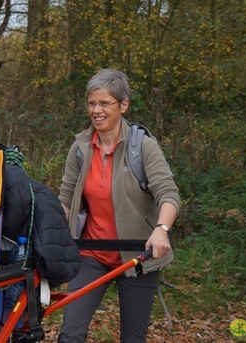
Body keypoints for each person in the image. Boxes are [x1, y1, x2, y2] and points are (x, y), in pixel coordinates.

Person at [58, 68, 180, 342]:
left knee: (133, 338)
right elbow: (66, 198)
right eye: (92, 103)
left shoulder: (143, 146)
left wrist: (161, 229)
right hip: (92, 255)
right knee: (70, 333)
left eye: (104, 103)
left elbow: (168, 193)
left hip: (137, 257)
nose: (96, 110)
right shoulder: (80, 148)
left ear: (123, 105)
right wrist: (50, 231)